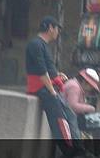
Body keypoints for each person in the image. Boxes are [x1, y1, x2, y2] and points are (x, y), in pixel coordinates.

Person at [25, 16, 75, 152]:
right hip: (42, 88)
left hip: (47, 87)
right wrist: (52, 91)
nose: (58, 31)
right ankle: (68, 150)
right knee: (60, 120)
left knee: (70, 115)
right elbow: (41, 71)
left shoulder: (43, 45)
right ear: (50, 28)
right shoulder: (36, 44)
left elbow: (47, 69)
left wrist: (58, 75)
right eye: (57, 28)